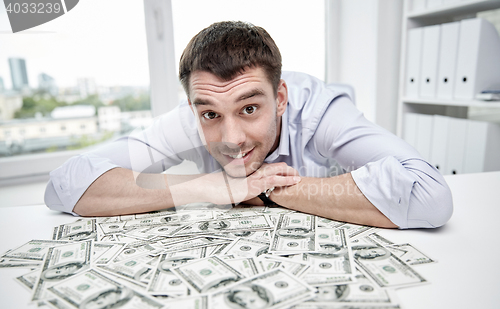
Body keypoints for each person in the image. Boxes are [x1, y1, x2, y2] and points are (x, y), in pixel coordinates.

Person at [44, 21, 453, 229]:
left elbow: (429, 196)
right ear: (194, 108)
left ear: (279, 99)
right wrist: (213, 188)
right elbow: (65, 184)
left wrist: (269, 189)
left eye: (249, 109)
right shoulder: (190, 118)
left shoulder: (322, 110)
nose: (231, 139)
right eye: (210, 115)